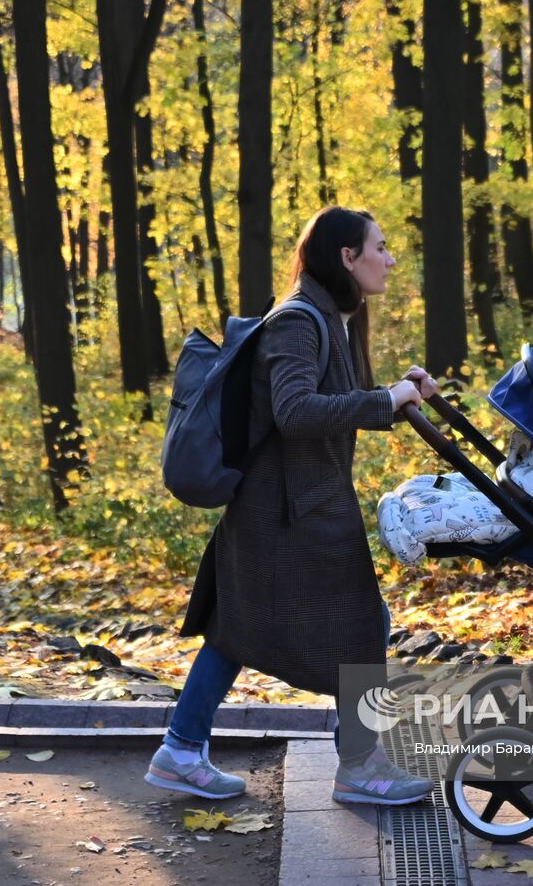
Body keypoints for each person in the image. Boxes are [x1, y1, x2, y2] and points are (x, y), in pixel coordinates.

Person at [144, 205, 438, 805]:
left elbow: (332, 399)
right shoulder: (298, 321)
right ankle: (359, 765)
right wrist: (384, 399)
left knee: (235, 627)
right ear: (346, 258)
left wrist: (401, 395)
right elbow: (296, 411)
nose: (389, 257)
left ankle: (180, 748)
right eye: (378, 247)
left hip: (297, 503)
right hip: (288, 510)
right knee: (360, 626)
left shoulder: (333, 317)